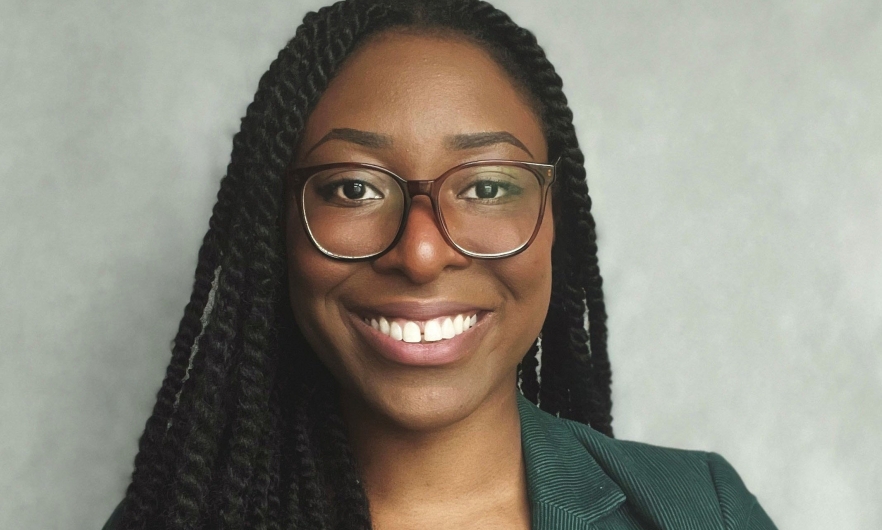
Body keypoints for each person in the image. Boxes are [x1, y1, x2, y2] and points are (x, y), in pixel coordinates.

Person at [104, 0, 777, 528]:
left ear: (555, 222)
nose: (421, 253)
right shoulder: (173, 515)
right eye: (353, 187)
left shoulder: (697, 511)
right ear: (275, 232)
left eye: (486, 187)